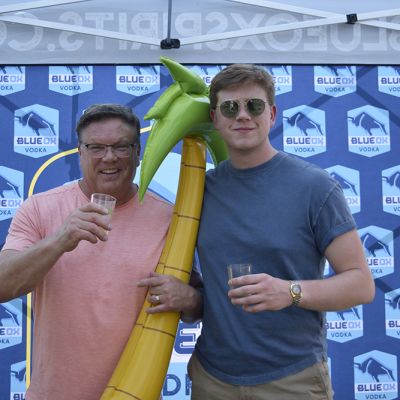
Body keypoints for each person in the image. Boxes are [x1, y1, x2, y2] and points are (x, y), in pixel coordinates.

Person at [144, 64, 375, 399]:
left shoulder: (315, 186)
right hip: (214, 380)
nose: (242, 116)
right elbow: (206, 290)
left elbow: (360, 284)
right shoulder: (198, 192)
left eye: (253, 106)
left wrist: (290, 292)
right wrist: (192, 299)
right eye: (229, 107)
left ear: (272, 114)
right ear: (215, 117)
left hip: (291, 379)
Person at [0, 104, 177, 400]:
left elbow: (193, 298)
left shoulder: (169, 217)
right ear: (80, 152)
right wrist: (60, 240)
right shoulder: (40, 208)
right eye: (96, 147)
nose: (109, 157)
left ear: (137, 152)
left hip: (137, 394)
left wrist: (192, 298)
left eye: (121, 147)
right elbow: (3, 284)